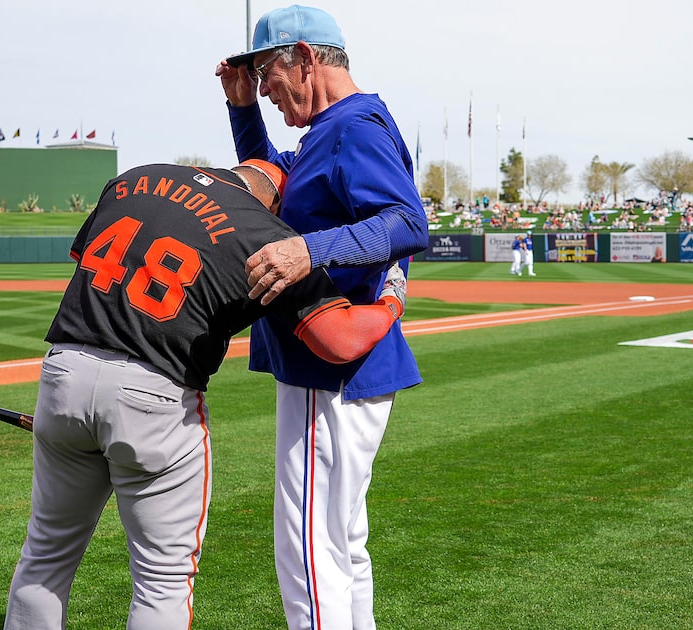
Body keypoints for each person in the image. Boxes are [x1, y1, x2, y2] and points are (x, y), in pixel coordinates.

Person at [4, 160, 408, 629]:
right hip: (156, 395)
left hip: (64, 375)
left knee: (44, 557)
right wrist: (392, 300)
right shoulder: (266, 231)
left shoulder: (135, 177)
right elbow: (339, 341)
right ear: (275, 199)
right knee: (163, 581)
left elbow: (91, 271)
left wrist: (85, 410)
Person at [215, 6, 428, 628]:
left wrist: (309, 248)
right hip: (348, 365)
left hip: (329, 365)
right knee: (340, 542)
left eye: (270, 80)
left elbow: (407, 221)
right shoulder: (338, 125)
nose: (269, 94)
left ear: (305, 59)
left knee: (309, 549)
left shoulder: (353, 128)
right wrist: (242, 111)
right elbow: (279, 187)